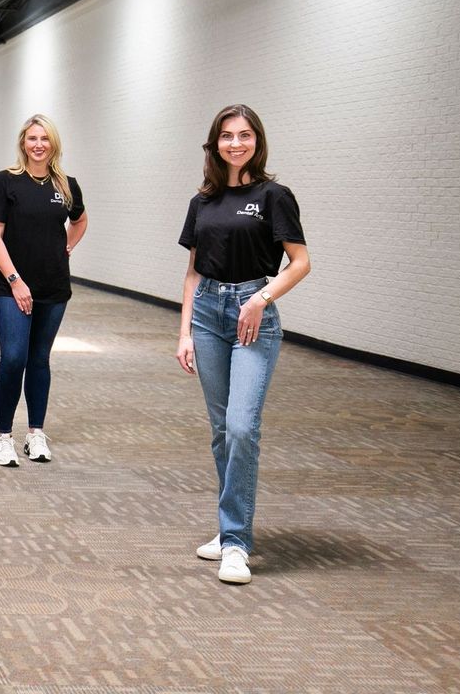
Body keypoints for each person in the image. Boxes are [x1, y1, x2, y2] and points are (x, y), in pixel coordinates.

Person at [175, 104, 311, 585]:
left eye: (245, 135)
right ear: (215, 144)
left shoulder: (275, 196)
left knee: (240, 427)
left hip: (255, 316)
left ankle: (236, 544)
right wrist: (185, 330)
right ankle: (229, 527)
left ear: (258, 140)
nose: (236, 143)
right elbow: (193, 271)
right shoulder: (203, 202)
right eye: (227, 136)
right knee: (219, 430)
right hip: (209, 315)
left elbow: (299, 261)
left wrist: (261, 298)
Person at [0, 114, 87, 467]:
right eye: (32, 138)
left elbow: (80, 219)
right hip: (13, 287)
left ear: (53, 143)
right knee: (14, 358)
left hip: (54, 286)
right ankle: (2, 437)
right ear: (23, 143)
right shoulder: (5, 182)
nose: (38, 144)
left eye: (44, 138)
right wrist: (15, 280)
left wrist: (66, 248)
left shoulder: (66, 185)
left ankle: (35, 434)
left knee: (40, 359)